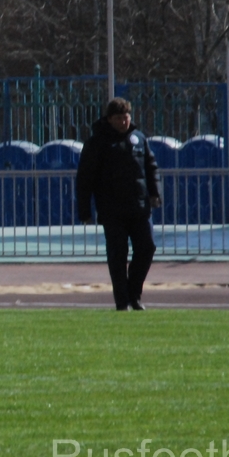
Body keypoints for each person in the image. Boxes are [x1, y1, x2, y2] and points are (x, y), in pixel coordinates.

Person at [76, 98, 161, 311]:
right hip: (112, 209)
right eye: (119, 118)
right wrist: (84, 211)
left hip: (139, 207)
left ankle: (135, 294)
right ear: (109, 119)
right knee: (118, 255)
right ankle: (122, 301)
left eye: (126, 117)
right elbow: (85, 178)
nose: (124, 122)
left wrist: (155, 193)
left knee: (147, 247)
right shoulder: (97, 142)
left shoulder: (139, 139)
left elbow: (151, 167)